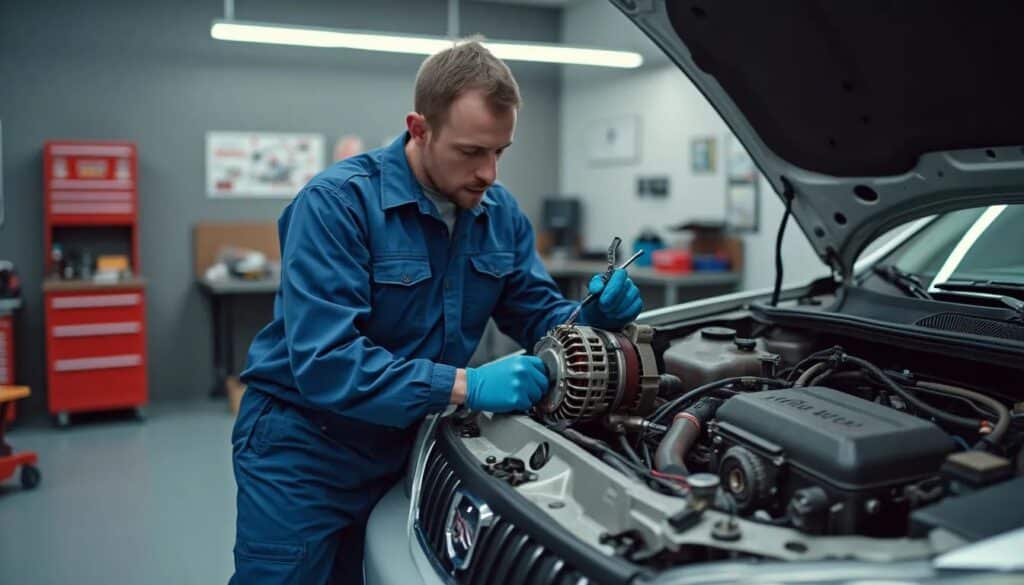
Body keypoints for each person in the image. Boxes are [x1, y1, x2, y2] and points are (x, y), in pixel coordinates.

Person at [229, 40, 643, 584]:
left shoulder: (500, 215)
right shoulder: (336, 205)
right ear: (419, 129)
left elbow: (540, 313)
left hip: (402, 440)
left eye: (500, 151)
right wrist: (467, 385)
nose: (489, 172)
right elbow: (327, 361)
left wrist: (595, 317)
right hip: (304, 448)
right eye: (471, 152)